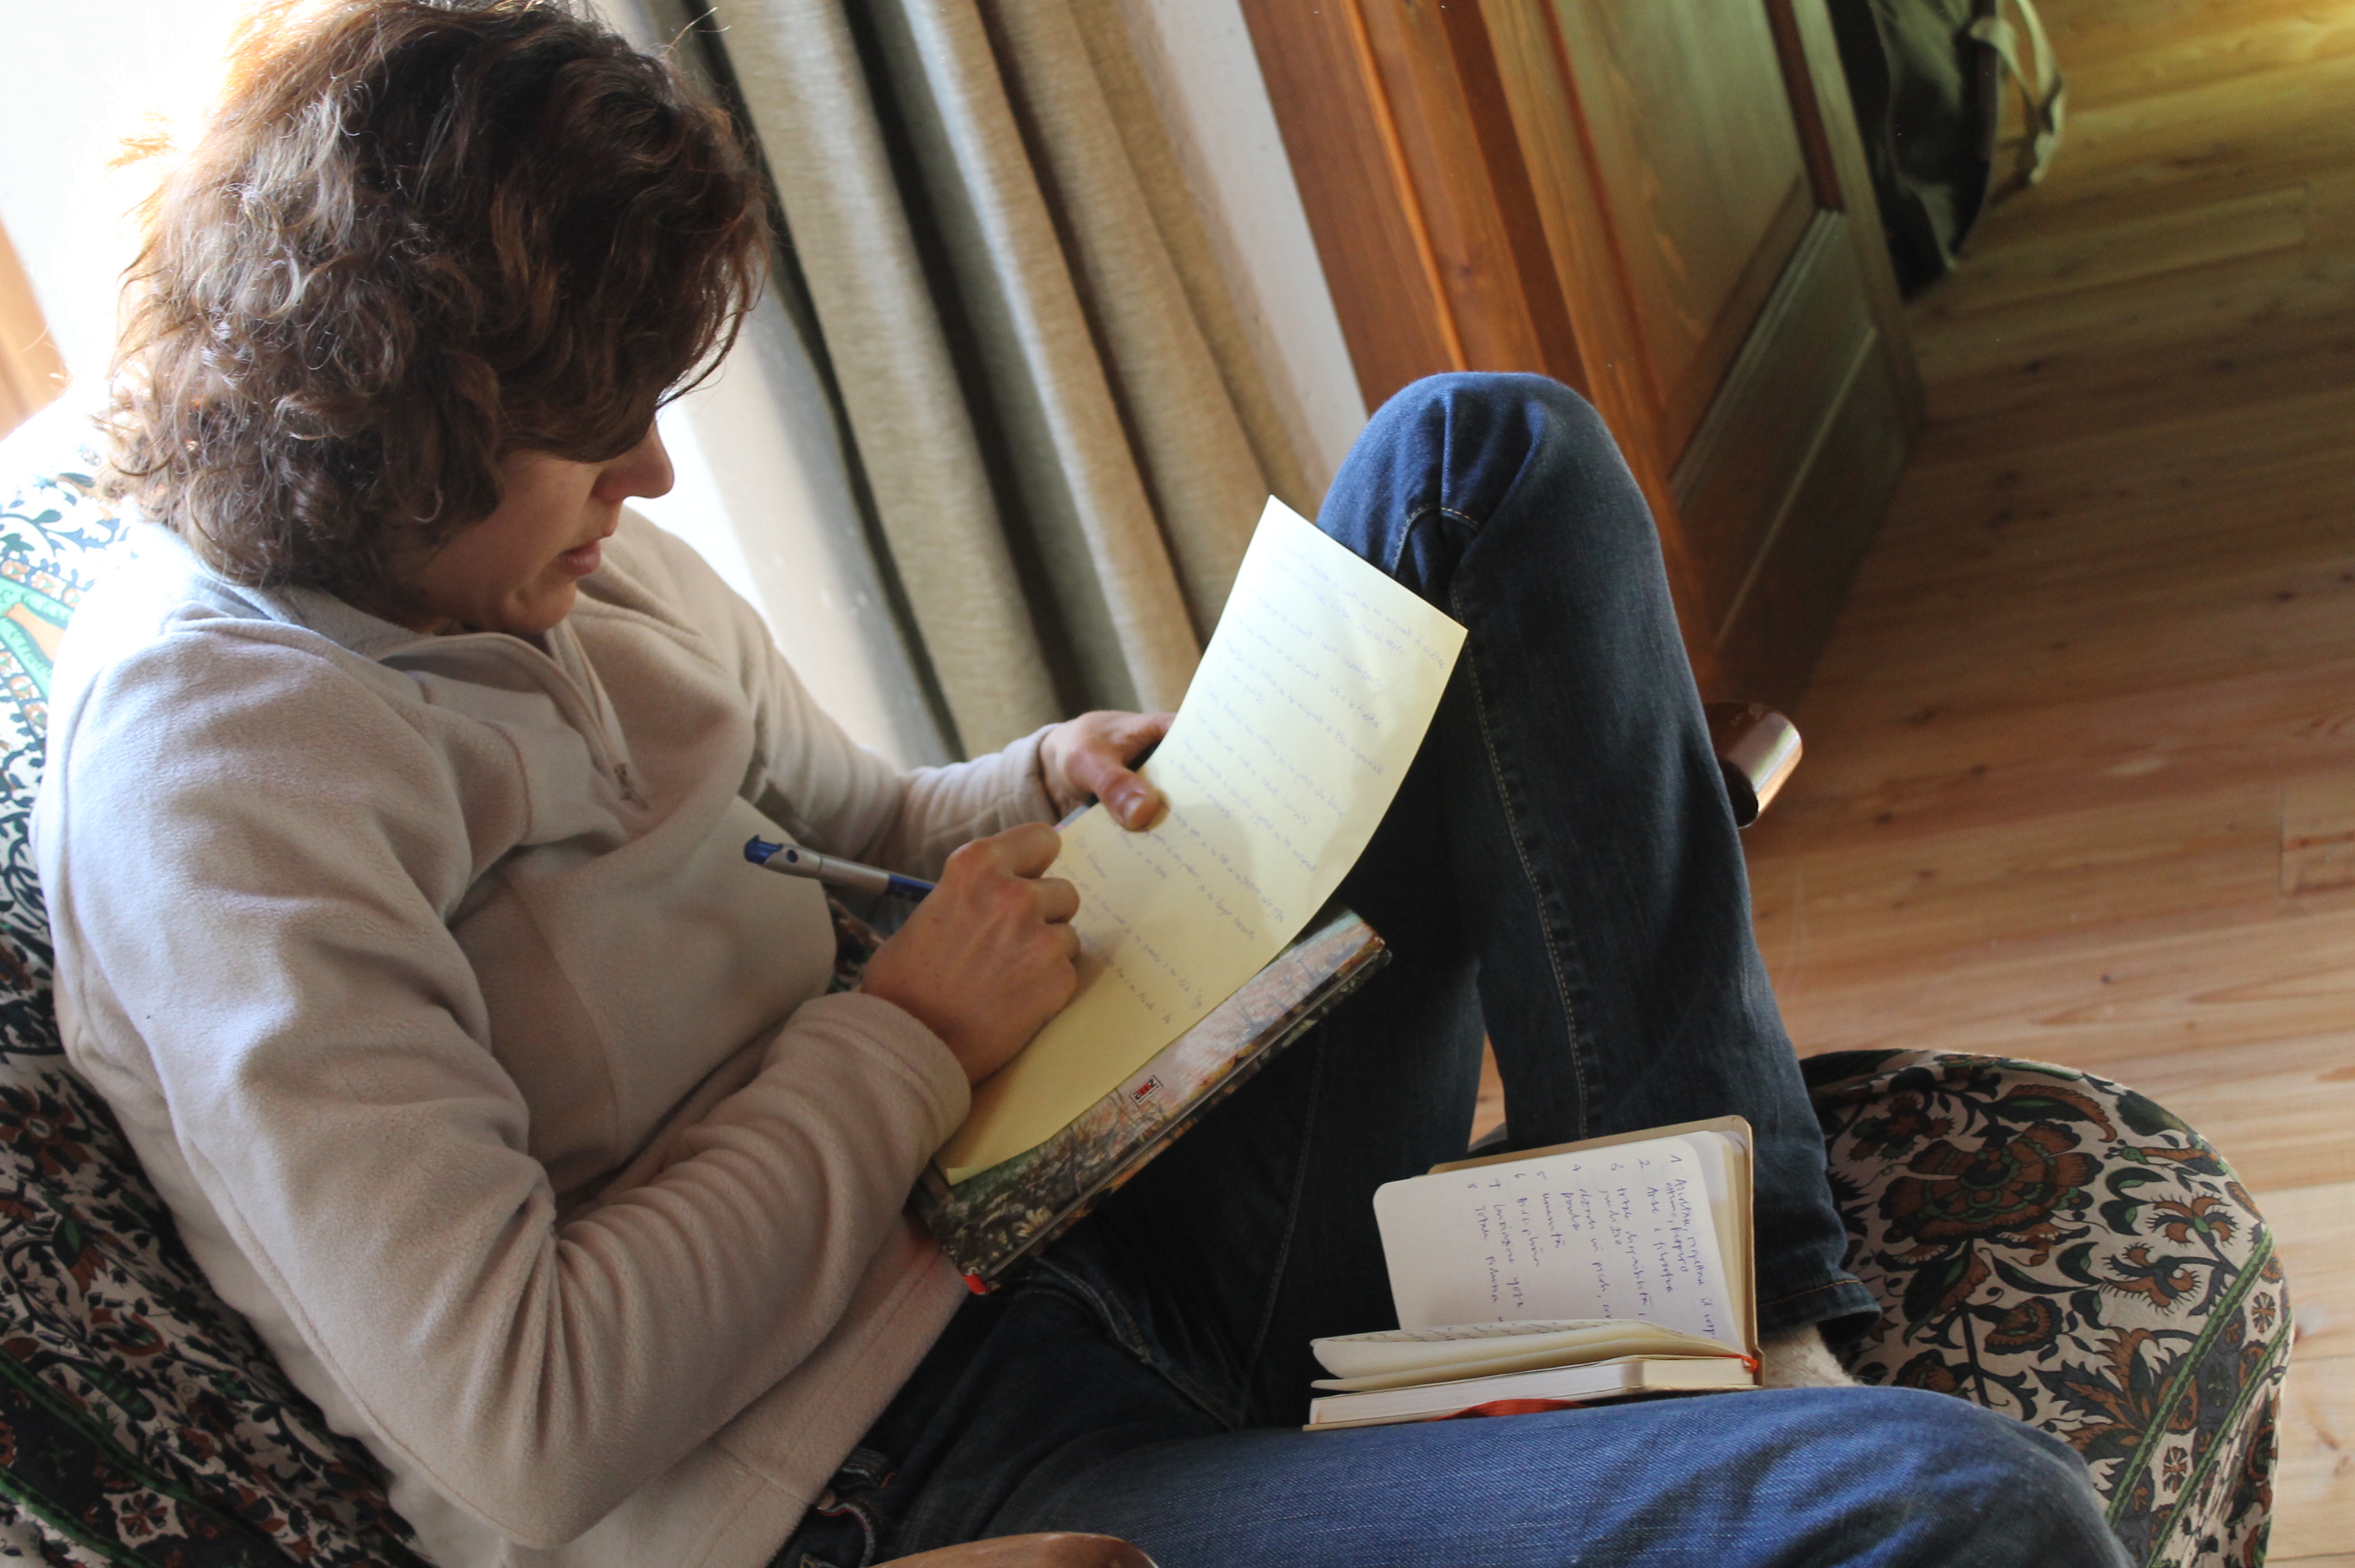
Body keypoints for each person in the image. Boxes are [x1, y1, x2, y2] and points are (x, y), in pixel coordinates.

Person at [34, 3, 2128, 1566]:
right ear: (393, 420)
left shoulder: (540, 555)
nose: (654, 477)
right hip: (909, 1489)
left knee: (1480, 467)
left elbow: (851, 823)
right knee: (1962, 1516)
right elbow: (524, 1418)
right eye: (599, 433)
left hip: (1065, 1199)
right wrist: (898, 1045)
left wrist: (1044, 779)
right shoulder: (225, 789)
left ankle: (1747, 1312)